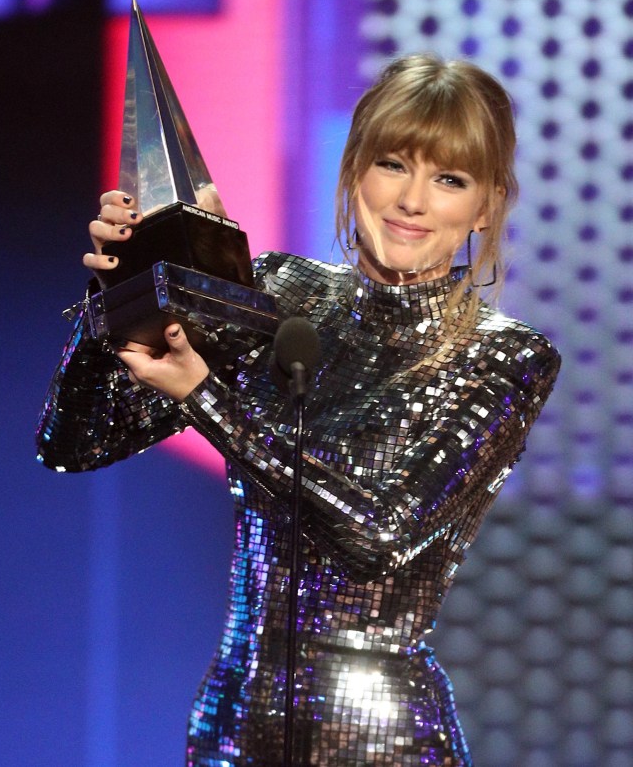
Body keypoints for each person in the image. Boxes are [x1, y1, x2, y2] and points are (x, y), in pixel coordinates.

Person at [37, 53, 561, 766]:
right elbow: (76, 442)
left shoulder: (504, 357)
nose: (412, 200)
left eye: (449, 179)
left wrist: (207, 397)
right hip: (232, 723)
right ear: (354, 170)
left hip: (381, 740)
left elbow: (380, 534)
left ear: (488, 204)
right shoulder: (279, 291)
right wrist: (122, 296)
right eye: (392, 164)